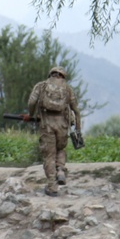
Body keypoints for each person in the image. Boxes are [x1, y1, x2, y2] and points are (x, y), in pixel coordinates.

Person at [26, 66, 83, 196]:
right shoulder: (68, 89)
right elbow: (76, 110)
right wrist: (78, 130)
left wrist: (30, 114)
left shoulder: (41, 86)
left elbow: (32, 102)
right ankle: (61, 170)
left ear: (50, 74)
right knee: (61, 149)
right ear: (63, 76)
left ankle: (52, 186)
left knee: (49, 155)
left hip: (47, 125)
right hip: (63, 126)